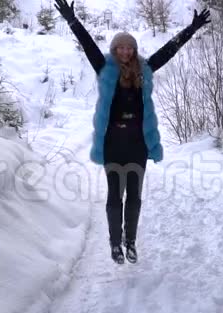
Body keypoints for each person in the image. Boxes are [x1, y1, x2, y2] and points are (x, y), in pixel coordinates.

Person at [54, 0, 211, 264]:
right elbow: (88, 44)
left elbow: (169, 51)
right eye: (120, 47)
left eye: (129, 47)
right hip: (114, 143)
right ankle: (115, 245)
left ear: (133, 49)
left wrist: (191, 29)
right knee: (115, 196)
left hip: (137, 144)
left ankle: (131, 243)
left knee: (134, 198)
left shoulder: (144, 70)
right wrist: (72, 20)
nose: (125, 51)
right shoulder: (104, 68)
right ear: (115, 49)